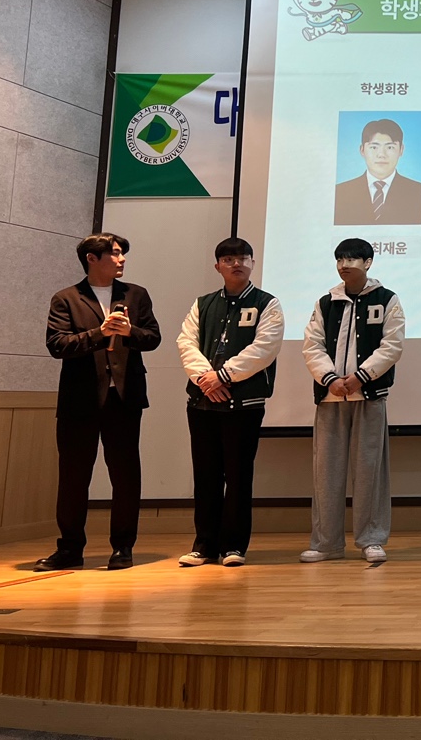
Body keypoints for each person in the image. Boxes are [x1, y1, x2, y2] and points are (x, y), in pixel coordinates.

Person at [37, 233, 161, 571]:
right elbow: (57, 345)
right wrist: (100, 333)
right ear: (92, 258)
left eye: (122, 254)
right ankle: (69, 548)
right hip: (80, 400)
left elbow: (153, 338)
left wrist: (129, 331)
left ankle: (123, 547)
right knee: (73, 476)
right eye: (115, 254)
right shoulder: (66, 298)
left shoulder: (136, 294)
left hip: (124, 398)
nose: (122, 260)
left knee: (125, 475)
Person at [174, 237, 284, 567]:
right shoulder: (203, 304)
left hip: (244, 404)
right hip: (202, 403)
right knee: (205, 474)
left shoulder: (268, 304)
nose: (236, 263)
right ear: (217, 266)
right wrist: (205, 379)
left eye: (243, 258)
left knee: (238, 475)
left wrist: (223, 376)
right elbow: (186, 343)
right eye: (228, 259)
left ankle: (233, 546)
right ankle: (204, 545)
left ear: (253, 263)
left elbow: (264, 348)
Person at [299, 238, 405, 563]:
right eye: (340, 259)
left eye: (352, 259)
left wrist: (361, 376)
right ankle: (326, 543)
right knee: (326, 473)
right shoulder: (326, 303)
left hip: (369, 395)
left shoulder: (387, 299)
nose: (344, 265)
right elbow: (312, 345)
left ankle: (371, 539)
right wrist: (330, 378)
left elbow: (392, 345)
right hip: (330, 397)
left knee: (370, 470)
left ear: (368, 262)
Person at [333, 118, 421, 225]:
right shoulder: (340, 192)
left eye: (390, 147)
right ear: (362, 150)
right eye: (374, 147)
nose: (381, 154)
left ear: (401, 150)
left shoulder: (420, 193)